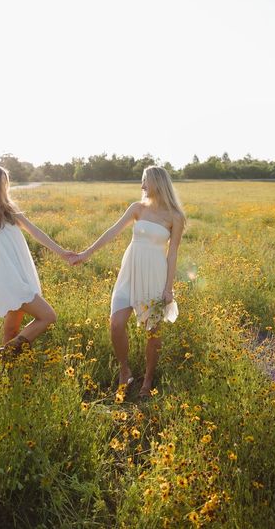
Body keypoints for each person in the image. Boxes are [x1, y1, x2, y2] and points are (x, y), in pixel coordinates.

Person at [71, 166, 186, 397]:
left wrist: (168, 288)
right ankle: (125, 370)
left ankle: (148, 379)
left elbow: (172, 253)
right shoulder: (137, 208)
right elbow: (112, 231)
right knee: (116, 324)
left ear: (157, 183)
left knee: (152, 331)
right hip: (130, 271)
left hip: (154, 275)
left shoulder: (175, 217)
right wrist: (86, 253)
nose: (142, 186)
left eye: (145, 182)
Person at [0, 164, 74, 354]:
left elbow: (35, 231)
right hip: (4, 276)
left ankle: (5, 369)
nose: (6, 188)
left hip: (21, 271)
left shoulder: (8, 209)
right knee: (48, 316)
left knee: (11, 330)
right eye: (3, 183)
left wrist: (62, 252)